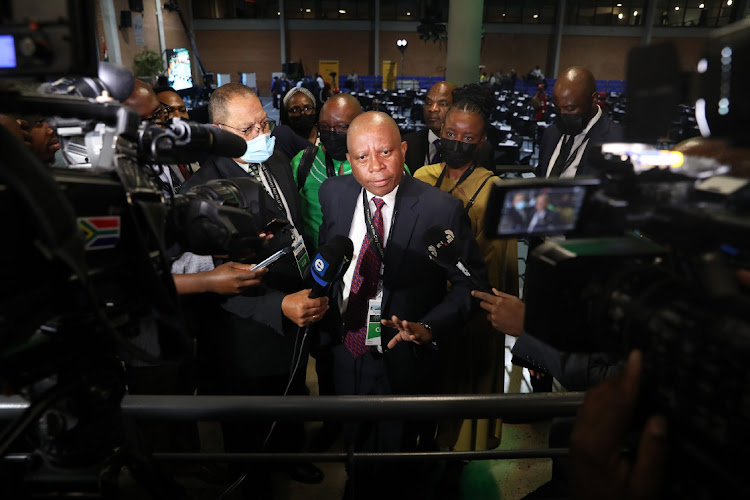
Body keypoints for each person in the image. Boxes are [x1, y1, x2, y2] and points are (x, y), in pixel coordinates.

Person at [317, 111, 487, 498]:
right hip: (347, 350)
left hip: (405, 355)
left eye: (386, 152)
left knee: (398, 460)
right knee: (354, 448)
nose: (375, 166)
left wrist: (429, 328)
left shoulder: (440, 209)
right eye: (362, 157)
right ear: (348, 160)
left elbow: (471, 286)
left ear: (404, 150)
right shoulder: (334, 193)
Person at [180, 82, 328, 494]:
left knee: (293, 390)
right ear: (219, 131)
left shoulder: (278, 159)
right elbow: (212, 284)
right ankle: (253, 478)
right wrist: (279, 306)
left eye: (264, 123)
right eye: (247, 130)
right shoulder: (200, 196)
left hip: (298, 307)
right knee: (250, 419)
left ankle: (291, 456)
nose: (261, 136)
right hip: (245, 331)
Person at [413, 84, 519, 454]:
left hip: (471, 312)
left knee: (461, 391)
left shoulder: (495, 191)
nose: (456, 142)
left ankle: (454, 460)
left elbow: (502, 266)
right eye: (449, 134)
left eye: (467, 137)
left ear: (481, 140)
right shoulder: (421, 177)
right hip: (423, 306)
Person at [290, 92, 362, 250]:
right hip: (316, 260)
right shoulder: (303, 162)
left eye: (342, 126)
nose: (332, 132)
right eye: (325, 127)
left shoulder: (379, 166)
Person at [536, 66, 624, 178]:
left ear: (593, 99)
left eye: (570, 108)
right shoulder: (550, 134)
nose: (562, 114)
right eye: (558, 108)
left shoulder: (617, 141)